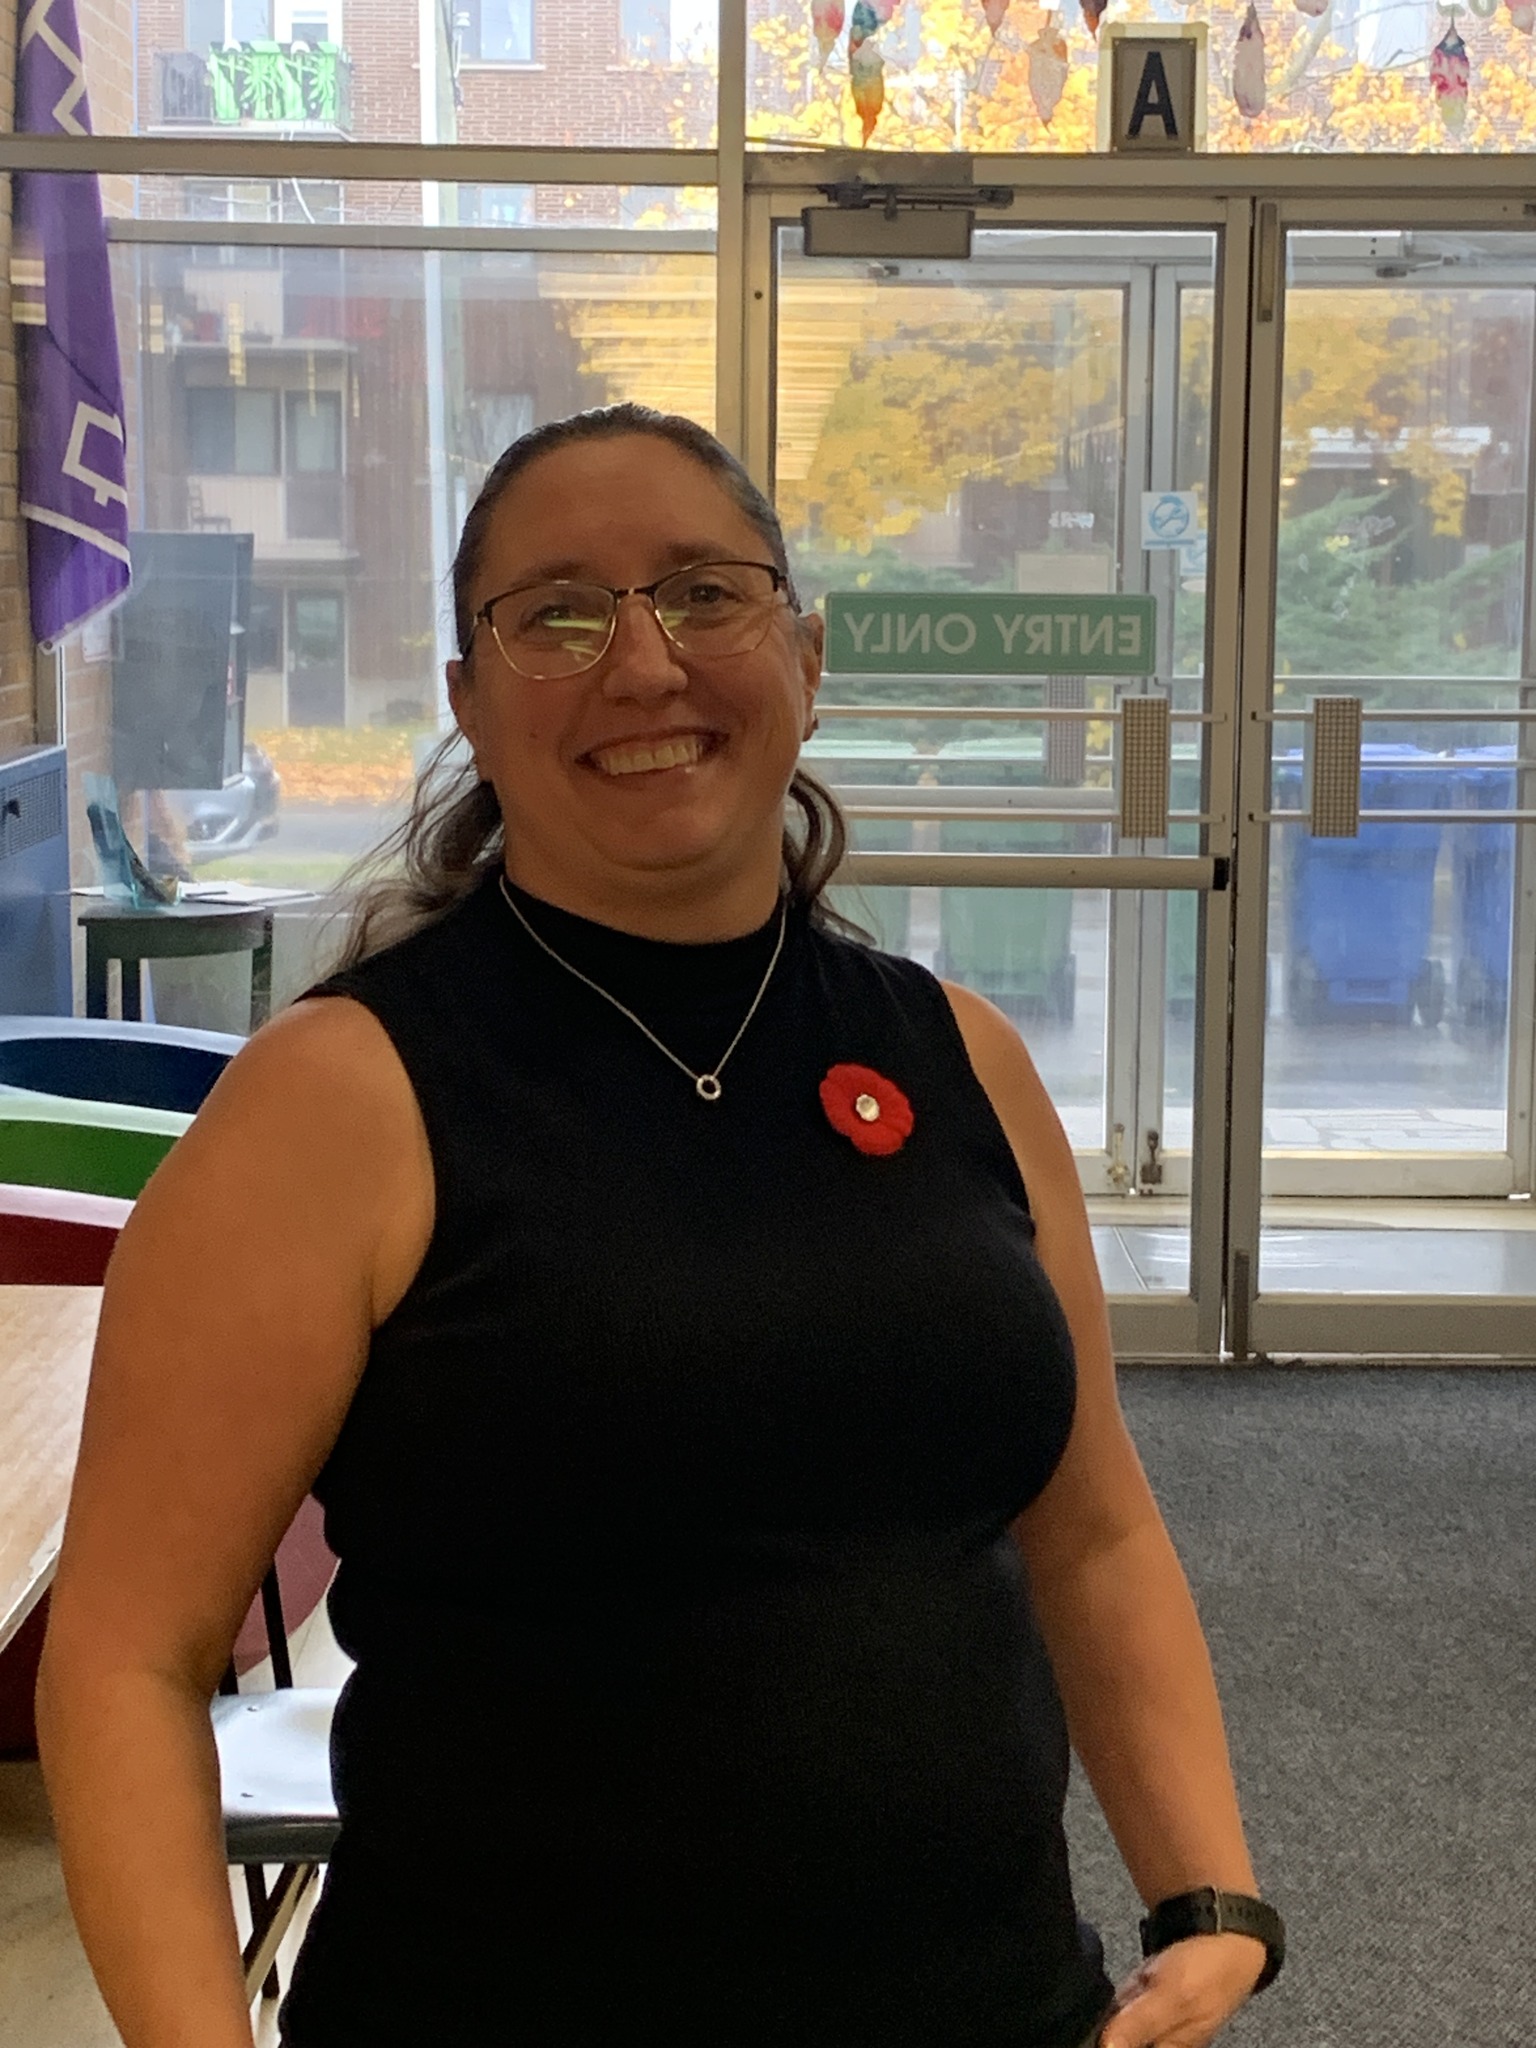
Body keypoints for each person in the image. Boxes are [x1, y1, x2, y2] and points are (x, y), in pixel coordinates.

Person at [37, 403, 1283, 2048]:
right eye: (558, 614)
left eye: (704, 592)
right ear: (472, 704)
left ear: (806, 658)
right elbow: (128, 1655)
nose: (643, 664)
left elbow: (1093, 1528)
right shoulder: (337, 1103)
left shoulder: (961, 1058)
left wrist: (1209, 1893)